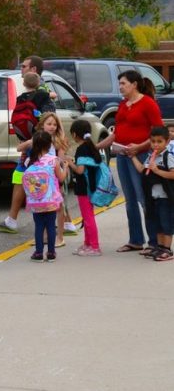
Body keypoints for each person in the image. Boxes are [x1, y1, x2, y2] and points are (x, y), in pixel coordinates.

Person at [0, 57, 66, 234]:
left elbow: (50, 121)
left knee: (51, 183)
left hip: (38, 147)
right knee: (20, 178)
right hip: (31, 145)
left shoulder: (42, 92)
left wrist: (34, 142)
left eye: (24, 66)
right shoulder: (40, 93)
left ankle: (63, 223)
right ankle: (12, 219)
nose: (21, 69)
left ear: (33, 69)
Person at [96, 70, 163, 254]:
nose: (120, 87)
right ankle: (135, 240)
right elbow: (116, 133)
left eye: (123, 83)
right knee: (130, 200)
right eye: (120, 84)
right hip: (123, 156)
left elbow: (159, 134)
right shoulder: (123, 104)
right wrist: (96, 146)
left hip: (141, 157)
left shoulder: (148, 104)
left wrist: (139, 146)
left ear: (134, 84)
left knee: (144, 198)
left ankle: (154, 242)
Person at [130, 126, 174, 261]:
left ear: (167, 142)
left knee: (166, 224)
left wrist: (157, 171)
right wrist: (133, 157)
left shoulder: (168, 156)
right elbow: (142, 169)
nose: (156, 144)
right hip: (153, 197)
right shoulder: (150, 157)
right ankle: (159, 247)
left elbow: (172, 174)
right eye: (153, 141)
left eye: (159, 141)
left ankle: (167, 249)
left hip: (165, 197)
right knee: (157, 223)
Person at [25, 131, 68, 262]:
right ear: (50, 145)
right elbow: (61, 178)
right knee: (50, 225)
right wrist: (65, 168)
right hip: (50, 200)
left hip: (35, 200)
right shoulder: (53, 160)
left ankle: (38, 253)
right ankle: (51, 253)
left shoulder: (29, 161)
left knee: (38, 226)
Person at [66, 120, 102, 256]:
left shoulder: (81, 149)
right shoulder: (90, 146)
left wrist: (70, 163)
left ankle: (94, 246)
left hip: (84, 188)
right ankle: (87, 244)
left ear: (74, 134)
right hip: (91, 186)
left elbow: (80, 170)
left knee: (88, 217)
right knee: (87, 217)